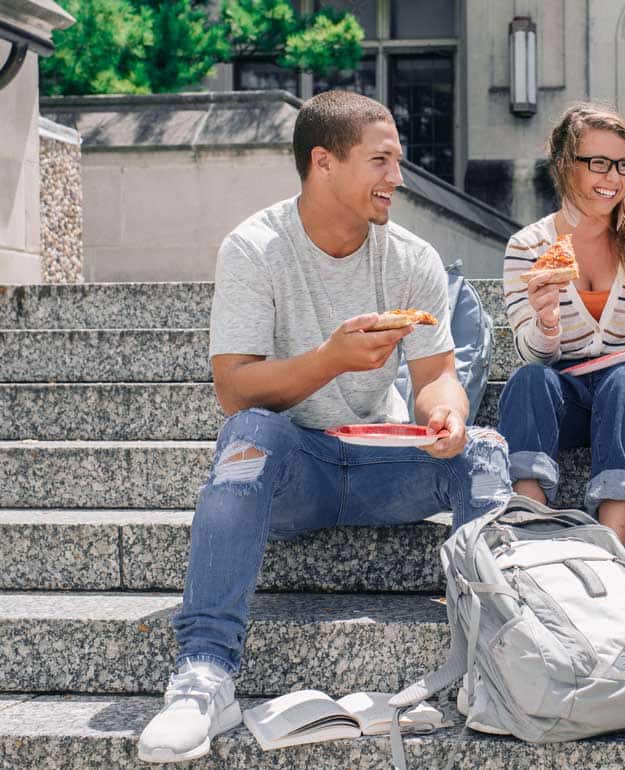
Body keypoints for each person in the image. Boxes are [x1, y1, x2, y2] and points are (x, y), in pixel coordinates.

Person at [136, 91, 511, 764]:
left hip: (383, 465)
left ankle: (500, 660)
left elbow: (435, 376)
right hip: (294, 469)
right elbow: (233, 387)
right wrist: (328, 361)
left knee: (483, 449)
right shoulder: (256, 248)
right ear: (324, 163)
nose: (397, 177)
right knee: (248, 434)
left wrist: (446, 414)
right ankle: (205, 675)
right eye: (381, 161)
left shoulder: (413, 258)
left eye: (397, 161)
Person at [497, 102, 625, 543]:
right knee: (528, 380)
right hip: (570, 396)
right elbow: (533, 353)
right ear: (566, 165)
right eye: (599, 163)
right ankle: (531, 520)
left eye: (623, 164)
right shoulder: (529, 246)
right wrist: (546, 321)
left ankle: (611, 538)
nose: (613, 177)